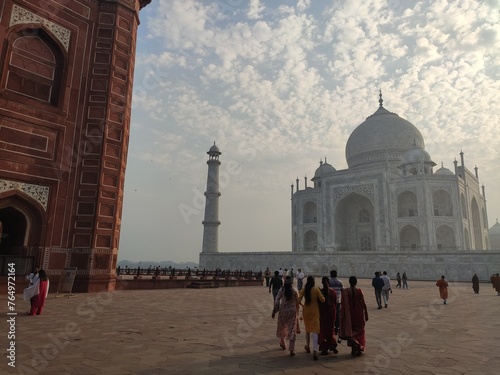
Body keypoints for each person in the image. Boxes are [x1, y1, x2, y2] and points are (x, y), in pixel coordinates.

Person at [339, 276, 369, 356]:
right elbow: (363, 303)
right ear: (356, 282)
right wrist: (366, 313)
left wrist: (343, 316)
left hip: (349, 315)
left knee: (351, 331)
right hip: (358, 313)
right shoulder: (359, 291)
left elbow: (342, 305)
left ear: (349, 282)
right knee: (360, 331)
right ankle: (358, 346)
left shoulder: (345, 291)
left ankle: (354, 346)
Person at [272, 276, 300, 356]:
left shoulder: (282, 290)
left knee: (282, 327)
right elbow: (297, 302)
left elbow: (277, 300)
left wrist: (274, 310)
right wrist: (297, 312)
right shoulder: (294, 290)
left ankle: (283, 342)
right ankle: (292, 349)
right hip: (292, 311)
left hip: (283, 310)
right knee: (292, 329)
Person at [299, 276, 325, 360]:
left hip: (306, 311)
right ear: (313, 282)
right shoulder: (316, 289)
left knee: (307, 330)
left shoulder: (304, 289)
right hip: (314, 311)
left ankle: (308, 346)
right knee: (315, 331)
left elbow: (298, 300)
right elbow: (322, 300)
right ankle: (314, 350)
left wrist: (303, 305)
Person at [318, 277, 338, 356]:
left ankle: (325, 348)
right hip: (331, 312)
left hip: (323, 312)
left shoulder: (320, 292)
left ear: (322, 282)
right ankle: (332, 343)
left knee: (323, 330)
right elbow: (335, 303)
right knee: (330, 330)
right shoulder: (333, 292)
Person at [329, 270, 343, 335]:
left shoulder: (328, 282)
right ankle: (337, 328)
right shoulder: (340, 282)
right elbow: (342, 291)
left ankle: (331, 328)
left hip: (330, 301)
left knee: (330, 315)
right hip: (338, 301)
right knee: (337, 315)